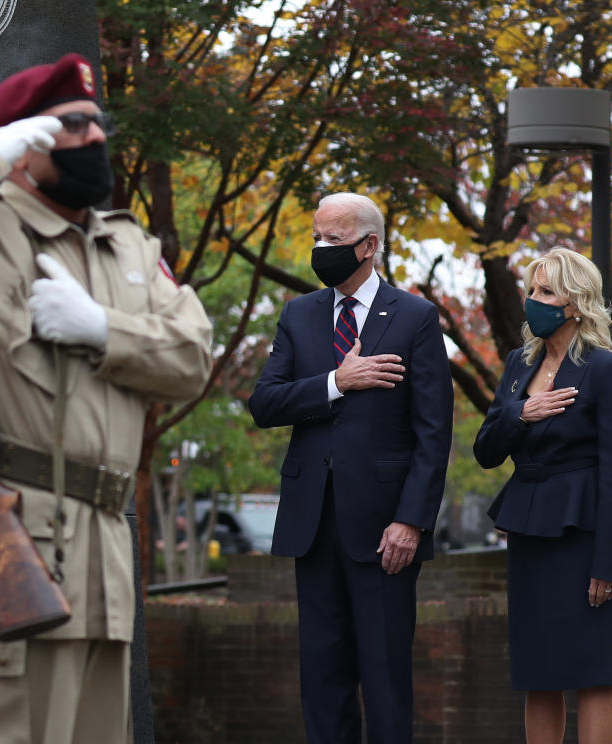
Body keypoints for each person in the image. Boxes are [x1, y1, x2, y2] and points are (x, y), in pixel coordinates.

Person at [0, 53, 212, 743]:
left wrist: (101, 328)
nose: (94, 138)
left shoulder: (130, 249)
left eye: (98, 122)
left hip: (104, 568)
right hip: (9, 554)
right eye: (71, 125)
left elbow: (192, 359)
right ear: (24, 147)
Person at [248, 192, 453, 743]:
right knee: (322, 676)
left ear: (369, 245)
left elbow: (434, 433)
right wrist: (340, 381)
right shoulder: (299, 314)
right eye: (316, 236)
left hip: (386, 530)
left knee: (385, 680)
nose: (320, 248)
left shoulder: (415, 317)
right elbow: (265, 403)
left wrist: (411, 520)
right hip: (312, 526)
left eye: (333, 239)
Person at [473, 247, 612, 744]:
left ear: (577, 303)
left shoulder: (606, 369)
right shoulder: (517, 365)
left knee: (592, 672)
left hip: (584, 538)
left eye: (546, 292)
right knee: (538, 672)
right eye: (532, 291)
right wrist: (521, 413)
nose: (534, 301)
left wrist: (608, 564)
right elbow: (486, 451)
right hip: (530, 534)